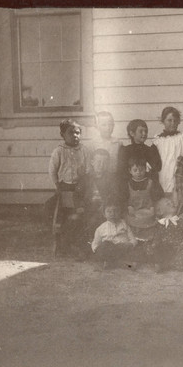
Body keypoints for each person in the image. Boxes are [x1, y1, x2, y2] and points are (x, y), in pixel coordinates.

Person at [48, 118, 92, 258]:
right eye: (71, 133)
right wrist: (57, 186)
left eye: (78, 133)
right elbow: (52, 170)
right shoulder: (59, 151)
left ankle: (78, 242)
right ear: (62, 134)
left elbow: (88, 169)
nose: (75, 136)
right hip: (64, 187)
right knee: (58, 213)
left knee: (79, 215)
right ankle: (61, 242)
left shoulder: (84, 150)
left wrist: (84, 182)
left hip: (80, 188)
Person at [146, 197, 183, 272]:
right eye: (168, 204)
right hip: (165, 249)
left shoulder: (180, 220)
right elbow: (157, 236)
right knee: (151, 249)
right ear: (160, 211)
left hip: (178, 248)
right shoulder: (160, 224)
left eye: (171, 202)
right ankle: (163, 262)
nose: (171, 203)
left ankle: (165, 264)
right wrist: (154, 244)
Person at [123, 156, 164, 241]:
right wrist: (129, 206)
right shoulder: (128, 183)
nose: (138, 173)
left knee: (150, 219)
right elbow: (125, 198)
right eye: (135, 170)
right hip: (133, 209)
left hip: (148, 209)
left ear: (145, 169)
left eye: (141, 170)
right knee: (131, 219)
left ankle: (148, 239)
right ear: (130, 171)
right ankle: (135, 238)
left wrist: (152, 207)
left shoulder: (150, 182)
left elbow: (155, 197)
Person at [84, 149, 118, 246]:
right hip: (88, 208)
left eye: (104, 162)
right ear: (92, 162)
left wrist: (105, 205)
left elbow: (114, 194)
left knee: (97, 220)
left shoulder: (111, 178)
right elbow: (77, 195)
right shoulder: (86, 178)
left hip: (104, 208)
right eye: (98, 162)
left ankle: (98, 245)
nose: (101, 165)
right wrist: (80, 207)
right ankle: (88, 245)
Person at [91, 199, 138, 269]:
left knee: (134, 251)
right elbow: (95, 243)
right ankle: (114, 261)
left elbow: (132, 238)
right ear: (104, 214)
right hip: (109, 249)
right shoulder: (100, 228)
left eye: (115, 211)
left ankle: (115, 262)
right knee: (106, 245)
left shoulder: (124, 224)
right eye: (109, 211)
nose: (112, 214)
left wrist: (131, 244)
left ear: (120, 212)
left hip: (123, 248)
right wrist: (98, 250)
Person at [153, 106, 183, 202]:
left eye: (175, 120)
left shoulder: (182, 138)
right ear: (163, 121)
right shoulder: (158, 141)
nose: (172, 123)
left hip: (179, 176)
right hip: (164, 174)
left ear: (179, 121)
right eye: (169, 120)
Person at [117, 119, 162, 183]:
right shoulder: (125, 151)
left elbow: (156, 169)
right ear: (132, 133)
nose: (144, 134)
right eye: (141, 131)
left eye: (146, 131)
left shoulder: (150, 150)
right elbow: (122, 172)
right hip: (131, 186)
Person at [90, 111, 122, 176]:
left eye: (110, 124)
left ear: (113, 125)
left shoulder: (118, 143)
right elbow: (90, 162)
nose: (107, 128)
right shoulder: (93, 143)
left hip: (113, 176)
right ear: (97, 126)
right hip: (98, 176)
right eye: (103, 125)